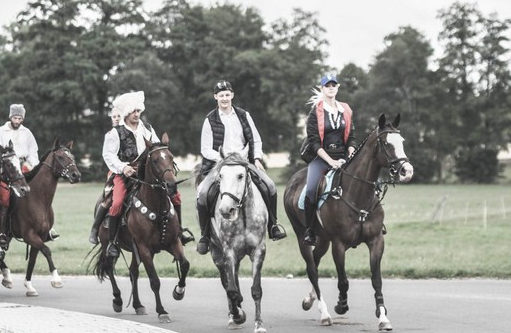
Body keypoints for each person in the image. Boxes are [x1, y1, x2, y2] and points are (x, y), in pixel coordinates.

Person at [88, 91, 194, 256]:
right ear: (126, 113)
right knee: (116, 202)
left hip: (146, 173)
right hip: (124, 173)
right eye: (133, 111)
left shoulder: (148, 129)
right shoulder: (115, 133)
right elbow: (108, 155)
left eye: (138, 111)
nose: (137, 114)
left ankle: (179, 232)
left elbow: (157, 147)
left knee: (175, 195)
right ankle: (111, 241)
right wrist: (123, 167)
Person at [195, 80, 286, 255]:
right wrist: (222, 158)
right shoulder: (209, 120)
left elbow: (256, 140)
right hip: (220, 164)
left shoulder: (244, 115)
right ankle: (205, 236)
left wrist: (257, 158)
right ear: (216, 97)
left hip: (244, 162)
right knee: (203, 193)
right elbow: (205, 149)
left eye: (227, 95)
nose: (224, 98)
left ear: (232, 95)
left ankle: (273, 226)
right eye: (221, 95)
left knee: (270, 186)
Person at [301, 73, 356, 246]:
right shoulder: (315, 112)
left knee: (366, 181)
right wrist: (331, 162)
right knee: (310, 190)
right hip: (322, 158)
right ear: (322, 88)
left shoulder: (346, 109)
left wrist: (351, 152)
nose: (331, 88)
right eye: (327, 85)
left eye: (334, 85)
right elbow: (314, 142)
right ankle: (310, 230)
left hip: (344, 157)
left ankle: (371, 222)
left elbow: (352, 136)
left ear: (338, 87)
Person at [0, 103, 50, 244]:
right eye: (15, 117)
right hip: (6, 169)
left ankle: (46, 227)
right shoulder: (0, 132)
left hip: (24, 168)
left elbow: (33, 152)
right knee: (4, 196)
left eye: (20, 118)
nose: (17, 121)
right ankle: (3, 230)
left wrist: (32, 167)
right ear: (10, 117)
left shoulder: (27, 133)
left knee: (39, 193)